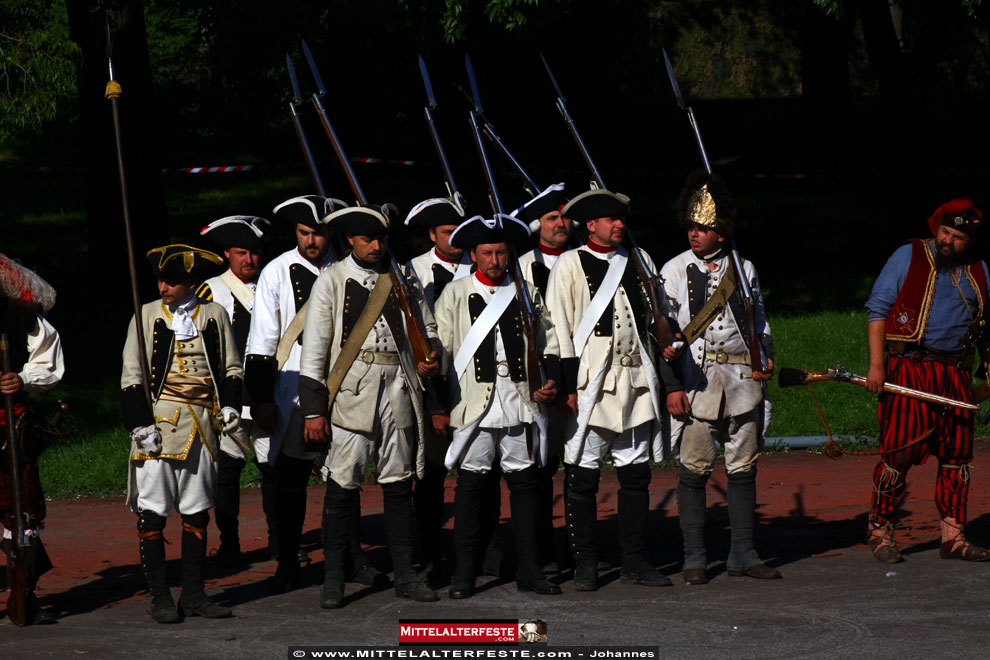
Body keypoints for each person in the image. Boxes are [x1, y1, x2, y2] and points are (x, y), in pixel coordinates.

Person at [297, 204, 441, 608]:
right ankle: (333, 578)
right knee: (342, 486)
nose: (377, 246)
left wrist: (431, 353)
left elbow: (427, 327)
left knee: (398, 486)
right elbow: (316, 348)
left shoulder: (403, 275)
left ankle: (406, 575)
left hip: (399, 390)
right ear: (350, 241)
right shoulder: (332, 279)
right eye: (368, 239)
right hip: (351, 394)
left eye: (381, 238)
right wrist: (313, 410)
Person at [244, 195, 382, 593]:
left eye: (319, 233)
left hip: (348, 385)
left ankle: (351, 559)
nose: (312, 241)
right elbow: (262, 342)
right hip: (292, 390)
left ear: (332, 232)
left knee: (347, 478)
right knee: (290, 482)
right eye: (305, 233)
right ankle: (287, 561)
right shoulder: (275, 272)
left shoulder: (350, 270)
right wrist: (263, 401)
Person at [544, 189, 674, 591]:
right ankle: (586, 562)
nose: (620, 225)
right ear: (592, 224)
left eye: (622, 219)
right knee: (582, 478)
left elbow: (656, 319)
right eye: (611, 219)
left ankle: (634, 559)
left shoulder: (640, 258)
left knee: (635, 476)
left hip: (636, 381)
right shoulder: (568, 264)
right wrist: (567, 387)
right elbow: (558, 329)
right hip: (589, 386)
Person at [436, 213, 563, 599]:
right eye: (487, 253)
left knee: (525, 487)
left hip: (518, 402)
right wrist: (439, 405)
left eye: (501, 252)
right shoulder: (455, 294)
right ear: (473, 254)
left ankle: (530, 570)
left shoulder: (525, 291)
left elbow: (548, 341)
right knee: (472, 490)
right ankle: (464, 573)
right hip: (474, 405)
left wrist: (549, 380)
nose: (495, 260)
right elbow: (441, 352)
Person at [661, 173, 779, 584]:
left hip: (742, 379)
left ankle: (743, 553)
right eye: (691, 227)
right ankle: (695, 557)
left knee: (743, 468)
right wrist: (673, 386)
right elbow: (663, 334)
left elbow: (759, 322)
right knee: (693, 470)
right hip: (696, 380)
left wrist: (765, 359)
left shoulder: (744, 269)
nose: (695, 234)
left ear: (721, 233)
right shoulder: (673, 269)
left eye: (703, 228)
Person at [863, 198, 989, 563]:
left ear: (971, 239)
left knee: (956, 458)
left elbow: (986, 331)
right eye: (945, 232)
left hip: (956, 376)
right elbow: (878, 311)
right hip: (911, 368)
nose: (948, 240)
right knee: (898, 455)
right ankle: (880, 528)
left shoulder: (980, 271)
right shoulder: (908, 256)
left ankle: (953, 535)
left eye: (957, 236)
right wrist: (876, 367)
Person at [120, 244, 241, 623]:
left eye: (171, 281)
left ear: (191, 282)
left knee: (196, 513)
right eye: (160, 279)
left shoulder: (214, 315)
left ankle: (194, 595)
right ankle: (159, 597)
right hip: (155, 429)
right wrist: (140, 425)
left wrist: (231, 406)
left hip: (201, 428)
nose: (163, 287)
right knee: (152, 514)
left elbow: (232, 370)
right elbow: (131, 377)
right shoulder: (145, 315)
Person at [195, 215, 271, 567]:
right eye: (242, 253)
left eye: (254, 253)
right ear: (227, 253)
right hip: (231, 397)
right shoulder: (211, 290)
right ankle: (229, 543)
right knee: (228, 473)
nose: (250, 260)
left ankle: (280, 540)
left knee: (274, 471)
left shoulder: (273, 282)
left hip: (270, 394)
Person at [403, 196, 470, 579]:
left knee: (479, 475)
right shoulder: (412, 272)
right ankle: (428, 554)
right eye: (448, 232)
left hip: (474, 380)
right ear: (431, 234)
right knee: (429, 477)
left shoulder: (479, 263)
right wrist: (434, 403)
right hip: (432, 383)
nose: (456, 239)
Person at [511, 183, 575, 573]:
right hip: (540, 377)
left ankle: (574, 545)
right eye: (552, 217)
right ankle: (540, 549)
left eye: (565, 217)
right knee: (540, 467)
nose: (561, 224)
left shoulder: (583, 260)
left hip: (583, 371)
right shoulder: (520, 265)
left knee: (578, 464)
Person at [0, 254, 63, 625]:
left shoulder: (21, 316)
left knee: (18, 508)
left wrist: (21, 379)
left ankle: (23, 594)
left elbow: (49, 359)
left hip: (11, 430)